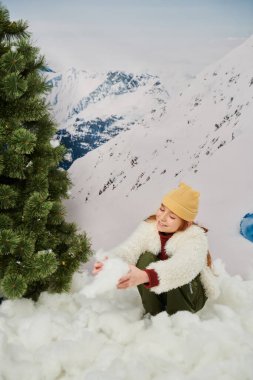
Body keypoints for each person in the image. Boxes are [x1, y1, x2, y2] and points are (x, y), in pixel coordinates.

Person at [93, 182, 219, 316]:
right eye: (162, 209)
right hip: (163, 290)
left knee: (177, 265)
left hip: (190, 295)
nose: (162, 218)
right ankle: (154, 313)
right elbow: (129, 249)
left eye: (172, 217)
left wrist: (146, 276)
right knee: (144, 257)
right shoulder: (149, 227)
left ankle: (177, 317)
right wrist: (111, 262)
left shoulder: (194, 237)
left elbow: (184, 266)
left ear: (186, 223)